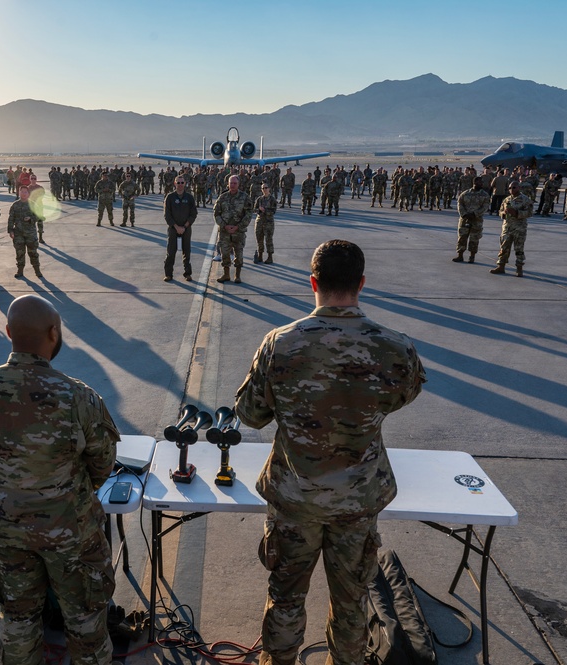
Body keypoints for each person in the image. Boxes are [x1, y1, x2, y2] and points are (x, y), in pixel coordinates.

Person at [235, 239, 425, 665]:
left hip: (296, 500)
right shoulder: (395, 347)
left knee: (285, 599)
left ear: (313, 282)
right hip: (357, 502)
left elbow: (250, 415)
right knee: (352, 600)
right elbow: (401, 398)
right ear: (361, 283)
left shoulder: (280, 343)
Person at [0, 294, 119, 665]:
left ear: (8, 332)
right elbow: (102, 463)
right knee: (85, 622)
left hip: (8, 531)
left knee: (17, 621)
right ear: (54, 332)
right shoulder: (78, 396)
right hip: (71, 534)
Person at [213, 175, 252, 284]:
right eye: (231, 183)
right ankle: (226, 274)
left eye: (235, 183)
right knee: (225, 254)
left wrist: (238, 227)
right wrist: (224, 226)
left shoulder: (245, 197)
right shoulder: (222, 197)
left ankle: (237, 275)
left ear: (238, 184)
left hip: (238, 232)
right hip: (225, 232)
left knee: (238, 254)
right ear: (228, 184)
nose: (233, 185)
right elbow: (216, 214)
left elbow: (248, 214)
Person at [491, 181, 534, 277]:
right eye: (510, 188)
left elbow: (530, 212)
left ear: (518, 188)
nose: (511, 190)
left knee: (519, 249)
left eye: (513, 187)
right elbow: (500, 211)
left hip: (519, 228)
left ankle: (519, 268)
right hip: (507, 228)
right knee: (504, 248)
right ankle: (501, 266)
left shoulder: (525, 199)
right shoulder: (506, 200)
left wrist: (516, 213)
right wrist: (503, 213)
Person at [162, 175, 197, 282]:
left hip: (186, 228)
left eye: (182, 183)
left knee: (187, 251)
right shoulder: (170, 197)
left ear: (185, 184)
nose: (180, 185)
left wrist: (185, 226)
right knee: (171, 252)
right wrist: (176, 227)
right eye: (178, 183)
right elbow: (167, 214)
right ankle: (168, 274)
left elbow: (193, 213)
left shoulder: (189, 197)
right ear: (175, 183)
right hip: (173, 228)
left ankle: (187, 273)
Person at [453, 176, 491, 263]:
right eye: (480, 182)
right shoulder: (465, 193)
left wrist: (475, 214)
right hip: (464, 219)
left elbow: (485, 207)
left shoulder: (485, 195)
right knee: (462, 237)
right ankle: (460, 255)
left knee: (474, 238)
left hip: (476, 220)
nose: (482, 184)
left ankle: (472, 256)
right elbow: (460, 204)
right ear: (475, 183)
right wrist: (464, 214)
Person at [7, 186, 43, 279]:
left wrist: (31, 219)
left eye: (25, 192)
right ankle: (20, 270)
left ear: (28, 193)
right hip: (18, 233)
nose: (23, 193)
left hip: (30, 233)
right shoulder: (15, 205)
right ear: (19, 193)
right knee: (20, 253)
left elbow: (39, 216)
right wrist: (10, 230)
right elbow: (11, 219)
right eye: (22, 192)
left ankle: (37, 270)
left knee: (33, 252)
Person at [253, 183, 278, 264]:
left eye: (266, 188)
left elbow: (273, 211)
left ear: (269, 189)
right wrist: (259, 210)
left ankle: (270, 257)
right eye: (263, 188)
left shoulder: (272, 199)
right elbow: (254, 209)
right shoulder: (259, 199)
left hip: (268, 222)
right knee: (259, 239)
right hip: (260, 221)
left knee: (268, 240)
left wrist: (265, 210)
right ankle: (260, 255)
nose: (265, 189)